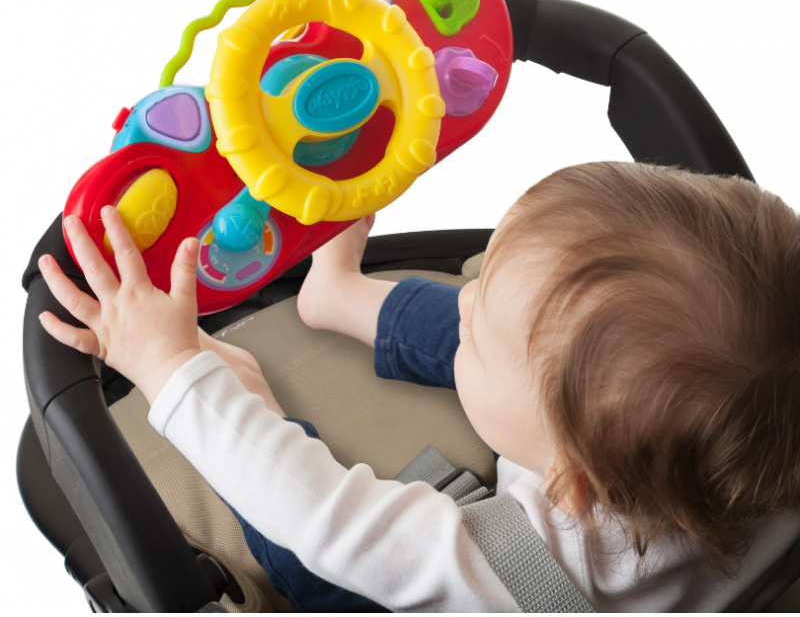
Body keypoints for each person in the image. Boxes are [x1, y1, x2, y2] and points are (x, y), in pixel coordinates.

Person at [37, 162, 800, 612]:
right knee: (535, 336)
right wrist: (494, 325)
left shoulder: (514, 571)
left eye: (477, 321)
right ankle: (336, 296)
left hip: (400, 590)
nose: (462, 296)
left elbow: (324, 521)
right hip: (616, 449)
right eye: (481, 278)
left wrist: (173, 369)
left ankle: (246, 388)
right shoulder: (765, 416)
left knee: (313, 553)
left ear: (568, 483)